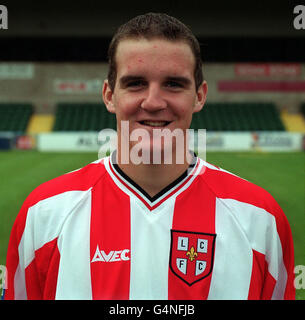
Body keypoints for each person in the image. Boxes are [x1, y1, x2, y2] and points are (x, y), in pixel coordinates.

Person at [4, 13, 295, 300]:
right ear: (109, 95)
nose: (153, 102)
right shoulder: (43, 215)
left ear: (200, 96)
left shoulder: (259, 218)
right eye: (135, 83)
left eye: (173, 84)